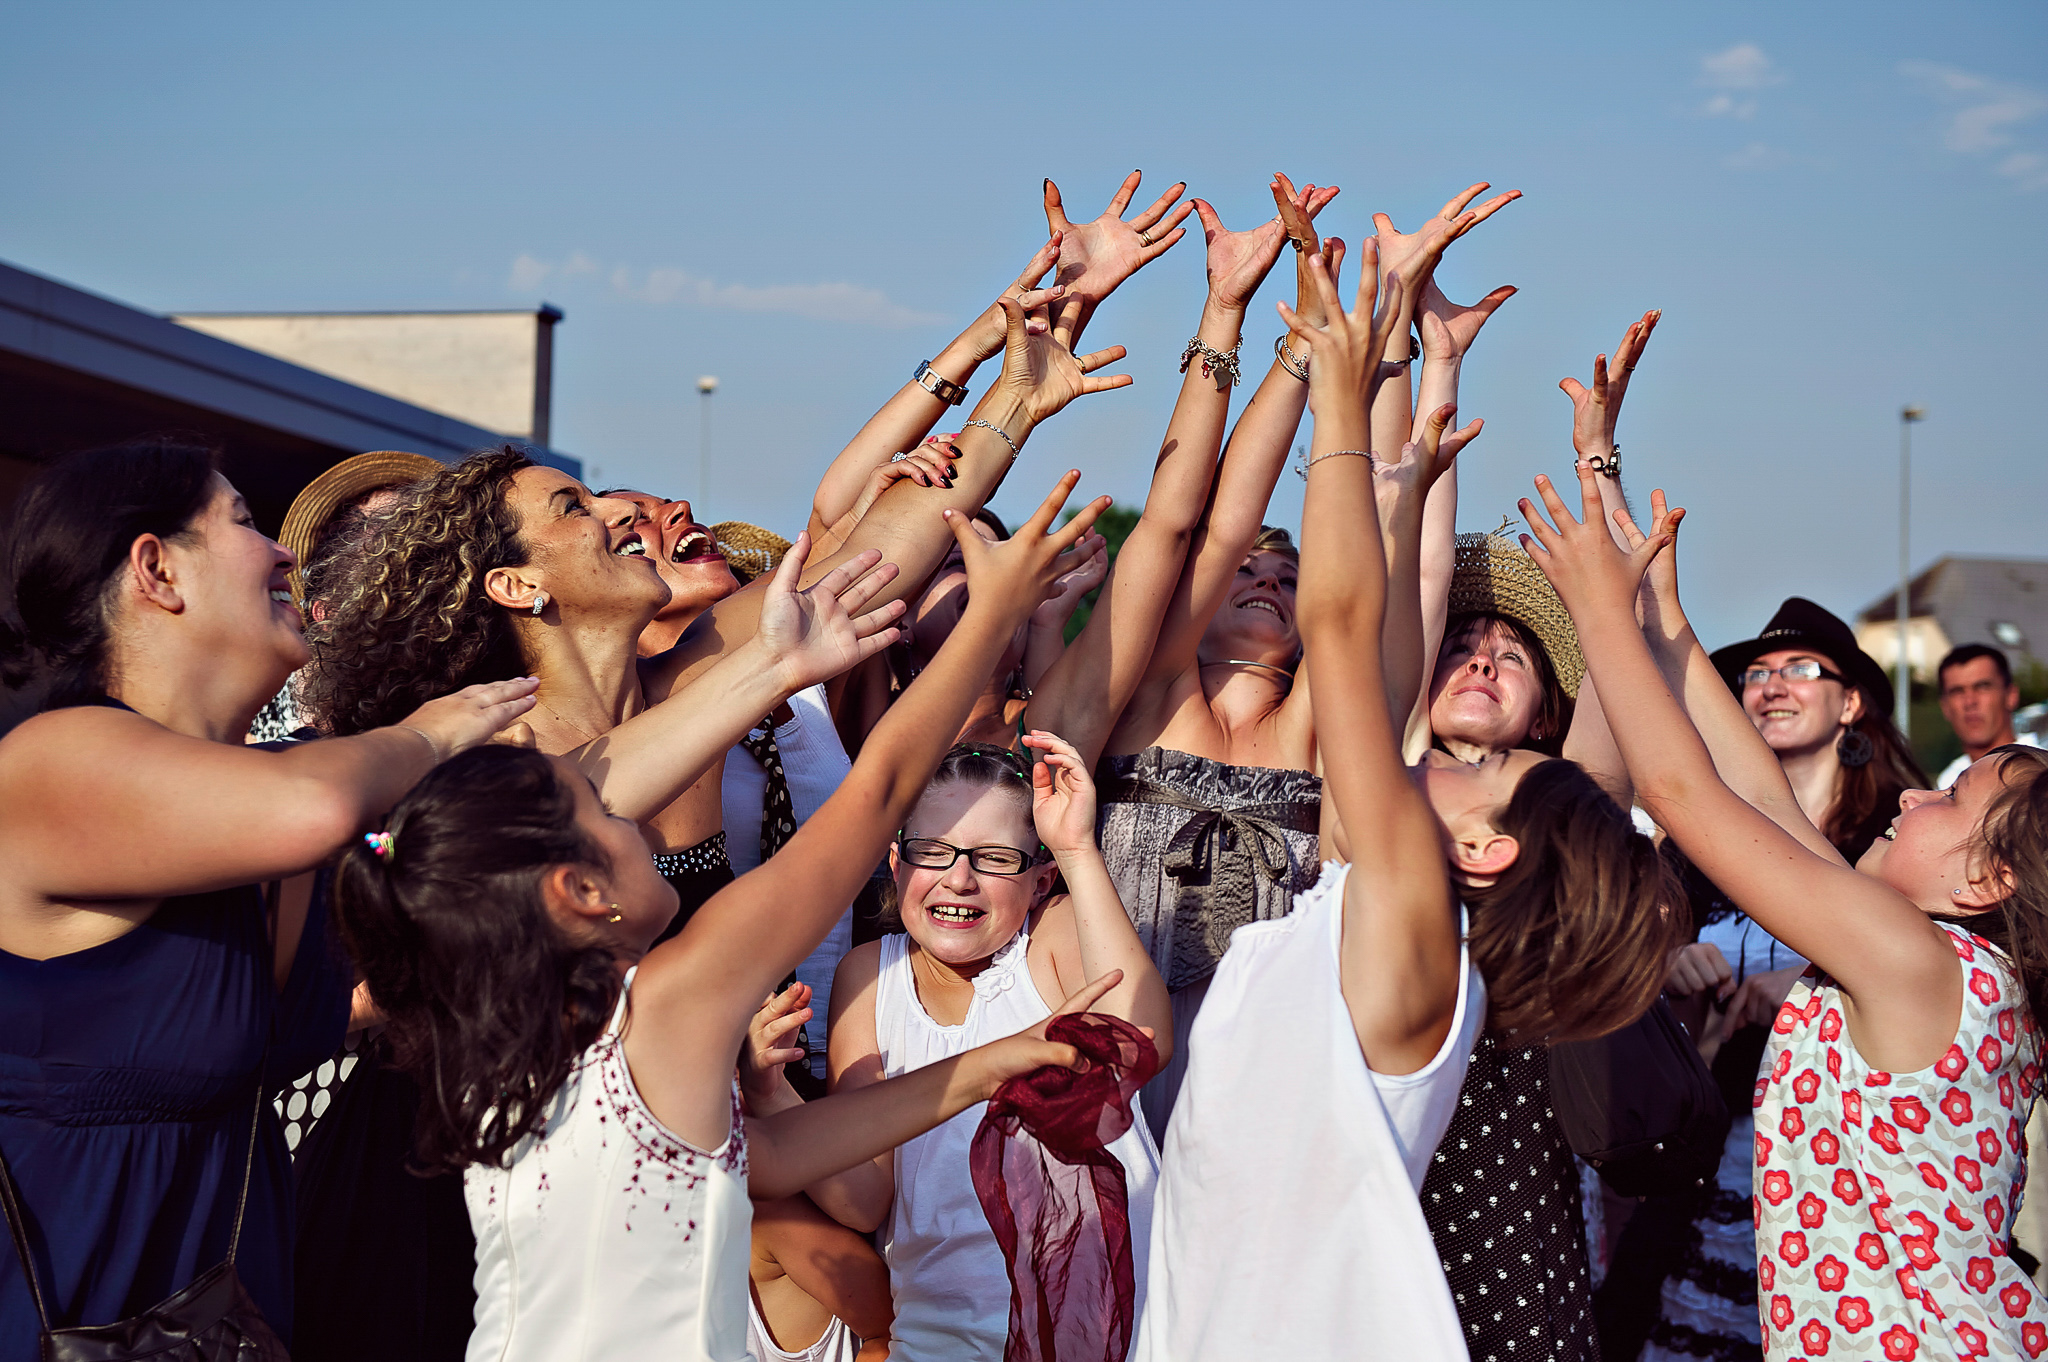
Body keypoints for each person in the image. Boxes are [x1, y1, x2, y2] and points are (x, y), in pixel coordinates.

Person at [329, 471, 1118, 1362]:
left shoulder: (509, 1039)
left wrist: (991, 1066)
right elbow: (880, 794)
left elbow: (771, 1157)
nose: (638, 816)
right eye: (609, 820)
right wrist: (991, 617)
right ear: (581, 893)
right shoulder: (668, 1003)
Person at [0, 438, 536, 1351]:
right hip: (63, 1311)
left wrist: (773, 666)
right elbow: (318, 805)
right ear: (155, 568)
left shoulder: (262, 801)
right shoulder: (51, 760)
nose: (286, 552)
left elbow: (529, 825)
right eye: (245, 523)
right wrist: (429, 735)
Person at [1522, 462, 2048, 1362]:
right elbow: (1763, 801)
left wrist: (1597, 610)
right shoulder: (1927, 956)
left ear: (1987, 882)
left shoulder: (1918, 958)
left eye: (1951, 802)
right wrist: (1663, 617)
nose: (1918, 799)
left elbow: (1679, 792)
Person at [1096, 176, 1515, 1137]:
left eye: (1286, 582)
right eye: (1248, 574)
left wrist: (1394, 339)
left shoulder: (1319, 722)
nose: (1266, 583)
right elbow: (1206, 519)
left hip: (1265, 1080)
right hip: (1115, 1061)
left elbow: (1388, 564)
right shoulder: (1151, 693)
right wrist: (1275, 338)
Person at [1609, 595, 1930, 1361]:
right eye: (1755, 673)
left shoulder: (1901, 838)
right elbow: (1612, 980)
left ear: (1852, 703)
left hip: (1847, 1183)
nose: (1772, 686)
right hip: (1702, 1173)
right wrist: (1664, 968)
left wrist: (1820, 983)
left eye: (1799, 669)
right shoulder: (1693, 847)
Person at [789, 735, 1170, 1361]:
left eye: (993, 858)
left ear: (1040, 880)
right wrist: (769, 1087)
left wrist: (1076, 850)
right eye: (933, 852)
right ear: (895, 863)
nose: (959, 879)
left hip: (1108, 1337)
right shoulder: (869, 975)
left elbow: (1142, 1037)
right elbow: (863, 1200)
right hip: (938, 1342)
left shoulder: (1048, 940)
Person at [1938, 643, 2041, 789]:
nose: (1969, 701)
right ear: (1945, 707)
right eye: (1957, 691)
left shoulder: (2041, 771)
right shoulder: (1946, 783)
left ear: (2011, 695)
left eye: (1982, 686)